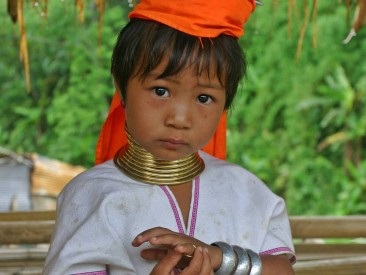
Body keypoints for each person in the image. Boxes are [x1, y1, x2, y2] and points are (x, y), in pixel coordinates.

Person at [43, 0, 296, 274]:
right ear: (121, 85)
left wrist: (218, 258)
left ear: (225, 104)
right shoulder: (91, 196)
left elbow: (282, 269)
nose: (179, 119)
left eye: (204, 98)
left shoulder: (248, 193)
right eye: (160, 91)